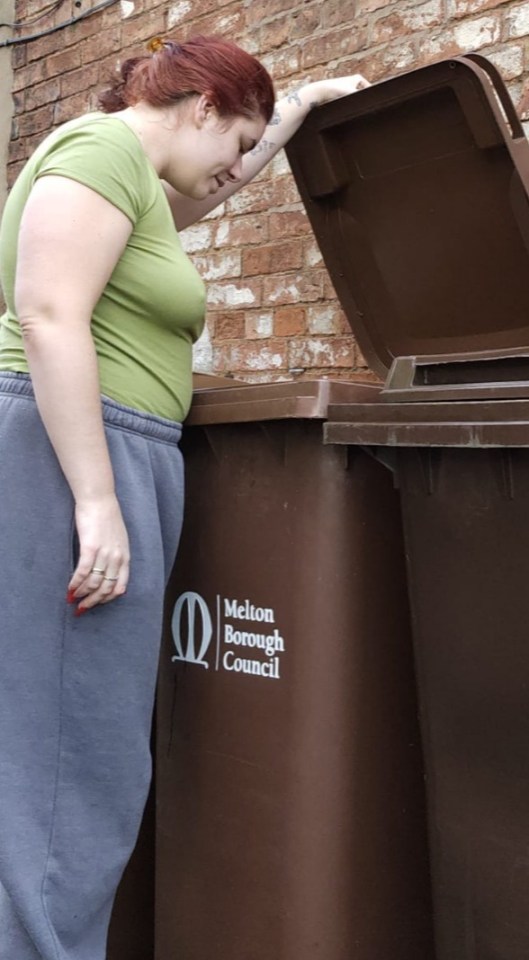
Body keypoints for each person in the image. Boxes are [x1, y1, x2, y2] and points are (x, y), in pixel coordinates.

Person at [0, 33, 368, 960]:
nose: (234, 167)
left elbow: (205, 193)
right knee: (69, 761)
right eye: (234, 138)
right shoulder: (99, 152)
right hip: (70, 465)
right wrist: (95, 500)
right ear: (201, 106)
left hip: (101, 457)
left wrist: (288, 118)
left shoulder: (133, 177)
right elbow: (48, 312)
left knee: (72, 753)